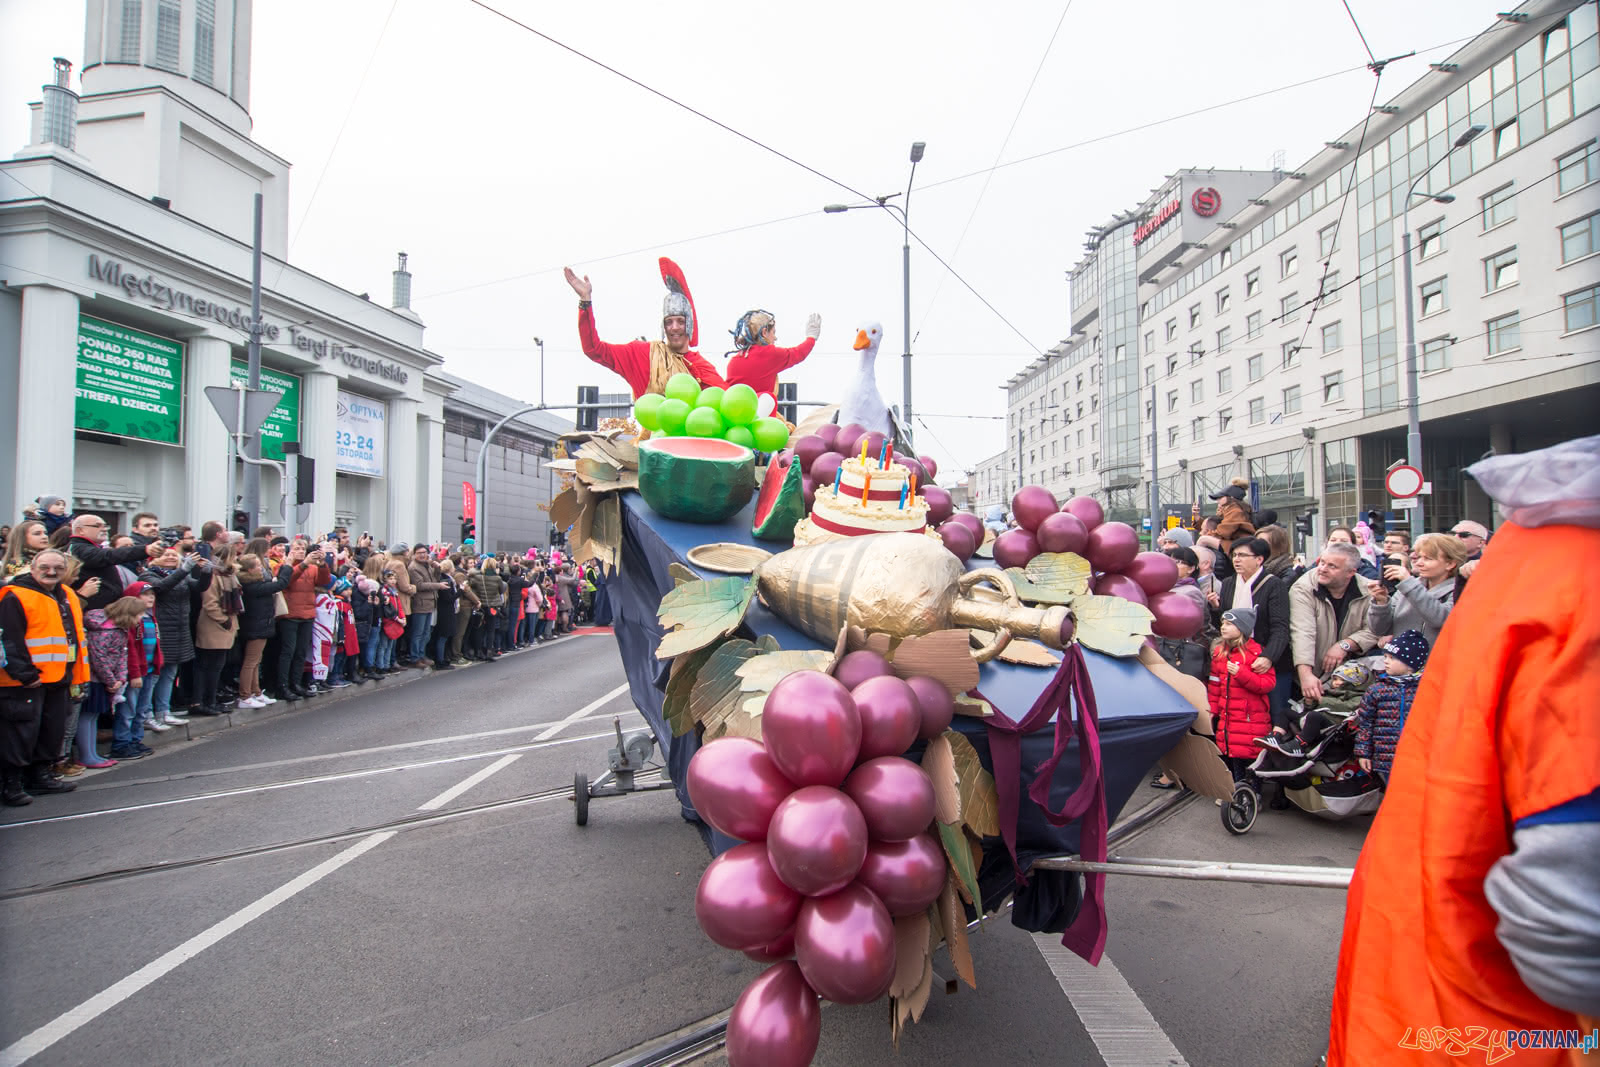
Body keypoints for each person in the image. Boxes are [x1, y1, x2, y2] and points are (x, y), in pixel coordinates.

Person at [1330, 433, 1600, 1065]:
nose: (1417, 563)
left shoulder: (1532, 561)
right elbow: (1574, 921)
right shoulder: (1580, 586)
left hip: (1426, 997)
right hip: (1516, 1030)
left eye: (1426, 556)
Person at [563, 259, 725, 398]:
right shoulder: (642, 354)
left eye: (680, 321)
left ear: (689, 324)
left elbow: (724, 400)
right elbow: (594, 349)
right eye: (669, 322)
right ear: (663, 325)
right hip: (653, 435)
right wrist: (585, 300)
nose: (674, 327)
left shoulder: (700, 365)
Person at [0, 551, 89, 804]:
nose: (51, 572)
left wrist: (76, 674)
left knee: (50, 731)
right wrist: (25, 674)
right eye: (45, 567)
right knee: (19, 734)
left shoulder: (65, 594)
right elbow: (9, 639)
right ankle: (12, 784)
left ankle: (39, 776)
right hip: (24, 682)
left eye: (57, 568)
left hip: (58, 676)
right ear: (33, 567)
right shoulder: (14, 595)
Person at [1206, 537, 1294, 738]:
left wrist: (1268, 656)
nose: (1237, 560)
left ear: (1259, 559)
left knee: (1273, 715)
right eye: (1234, 555)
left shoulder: (1274, 585)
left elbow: (1280, 627)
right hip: (1236, 661)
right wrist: (1216, 609)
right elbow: (1227, 623)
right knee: (1240, 718)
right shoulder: (1228, 583)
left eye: (1243, 555)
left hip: (1266, 661)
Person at [1288, 541, 1377, 706]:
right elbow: (1302, 632)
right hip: (1310, 669)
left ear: (1351, 572)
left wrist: (1346, 645)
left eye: (1332, 566)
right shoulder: (1303, 588)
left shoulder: (1368, 590)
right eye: (1322, 562)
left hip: (1351, 675)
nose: (1322, 568)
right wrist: (1305, 674)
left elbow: (1375, 629)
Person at [139, 546, 212, 725]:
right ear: (155, 558)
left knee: (170, 673)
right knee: (154, 675)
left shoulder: (182, 574)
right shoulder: (149, 575)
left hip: (179, 629)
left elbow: (198, 587)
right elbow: (162, 588)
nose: (171, 557)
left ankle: (163, 711)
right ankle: (146, 714)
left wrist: (207, 572)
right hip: (161, 629)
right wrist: (184, 569)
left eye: (174, 554)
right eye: (166, 554)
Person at [1206, 607, 1275, 781]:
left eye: (1229, 624)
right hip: (1228, 717)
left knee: (1251, 758)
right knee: (1232, 755)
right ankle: (1236, 793)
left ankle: (1254, 793)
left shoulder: (1257, 653)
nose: (1223, 627)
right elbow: (1214, 685)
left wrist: (1241, 673)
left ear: (1242, 628)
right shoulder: (1219, 653)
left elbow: (1267, 684)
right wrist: (1212, 711)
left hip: (1250, 718)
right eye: (1223, 623)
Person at [1368, 531, 1468, 647]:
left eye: (1428, 559)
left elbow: (1440, 619)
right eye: (1419, 557)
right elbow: (1379, 630)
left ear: (1450, 564)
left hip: (1437, 661)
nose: (1419, 563)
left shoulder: (1460, 590)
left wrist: (1408, 582)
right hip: (1400, 662)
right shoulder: (1409, 586)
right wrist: (1381, 603)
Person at [1352, 630, 1428, 782]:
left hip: (1419, 759)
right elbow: (1365, 724)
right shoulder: (1376, 690)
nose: (1385, 661)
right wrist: (1363, 753)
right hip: (1386, 760)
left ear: (1410, 664)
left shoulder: (1426, 690)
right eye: (1385, 656)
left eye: (1392, 658)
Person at [86, 595, 151, 762]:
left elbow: (122, 655)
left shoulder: (121, 629)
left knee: (95, 715)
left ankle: (94, 754)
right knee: (90, 716)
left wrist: (119, 679)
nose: (140, 620)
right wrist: (111, 680)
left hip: (113, 679)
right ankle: (96, 753)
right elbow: (99, 658)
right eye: (138, 615)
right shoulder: (105, 631)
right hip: (97, 679)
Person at [67, 513, 162, 609]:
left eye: (105, 526)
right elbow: (108, 556)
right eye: (97, 526)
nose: (104, 529)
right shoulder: (79, 548)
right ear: (80, 530)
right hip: (94, 613)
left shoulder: (85, 547)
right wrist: (145, 550)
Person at [274, 539, 330, 700]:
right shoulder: (284, 566)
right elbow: (287, 581)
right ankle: (282, 686)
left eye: (303, 548)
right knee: (288, 652)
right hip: (290, 615)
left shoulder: (312, 567)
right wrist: (304, 563)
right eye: (296, 548)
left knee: (300, 652)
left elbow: (324, 581)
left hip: (307, 614)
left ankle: (296, 683)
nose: (300, 550)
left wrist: (323, 564)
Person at [723, 309, 822, 396]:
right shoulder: (769, 354)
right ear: (764, 332)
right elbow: (798, 353)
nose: (775, 338)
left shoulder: (734, 360)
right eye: (773, 332)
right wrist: (811, 338)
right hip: (762, 414)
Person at [192, 544, 241, 716]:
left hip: (226, 624)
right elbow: (209, 602)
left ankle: (211, 700)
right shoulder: (213, 574)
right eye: (234, 555)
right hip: (214, 625)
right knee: (207, 666)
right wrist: (224, 620)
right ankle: (201, 701)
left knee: (217, 666)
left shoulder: (229, 574)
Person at [236, 552, 287, 708]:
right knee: (251, 662)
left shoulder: (255, 583)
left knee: (256, 660)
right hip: (255, 626)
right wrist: (287, 565)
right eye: (257, 565)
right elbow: (280, 584)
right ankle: (245, 695)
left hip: (260, 625)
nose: (260, 568)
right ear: (249, 569)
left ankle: (256, 691)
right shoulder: (251, 585)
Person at [405, 544, 444, 667]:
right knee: (418, 633)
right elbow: (420, 585)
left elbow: (434, 580)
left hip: (430, 603)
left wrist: (437, 568)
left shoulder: (426, 565)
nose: (422, 555)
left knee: (426, 633)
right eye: (419, 552)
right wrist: (439, 586)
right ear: (414, 554)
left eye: (424, 552)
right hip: (420, 603)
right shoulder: (413, 568)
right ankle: (415, 657)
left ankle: (422, 655)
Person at [1208, 477, 1255, 554]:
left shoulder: (1235, 511)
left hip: (1238, 547)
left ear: (1231, 497)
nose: (1217, 501)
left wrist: (1208, 533)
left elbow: (1223, 531)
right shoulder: (1232, 509)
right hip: (1237, 545)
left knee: (1203, 540)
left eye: (1220, 497)